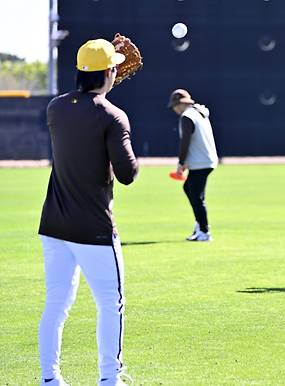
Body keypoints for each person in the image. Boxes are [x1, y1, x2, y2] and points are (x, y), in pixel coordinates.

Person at [38, 39, 138, 385]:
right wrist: (119, 125)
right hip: (93, 228)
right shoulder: (113, 116)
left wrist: (103, 78)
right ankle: (109, 379)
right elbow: (127, 174)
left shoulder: (56, 108)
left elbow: (82, 111)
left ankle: (49, 379)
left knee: (56, 305)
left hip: (53, 224)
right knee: (112, 304)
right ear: (109, 72)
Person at [168, 89, 219, 241]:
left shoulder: (187, 116)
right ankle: (200, 225)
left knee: (197, 196)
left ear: (181, 104)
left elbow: (185, 141)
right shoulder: (198, 112)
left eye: (175, 106)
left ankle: (204, 231)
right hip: (206, 160)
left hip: (200, 162)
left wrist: (181, 162)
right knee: (190, 190)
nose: (174, 109)